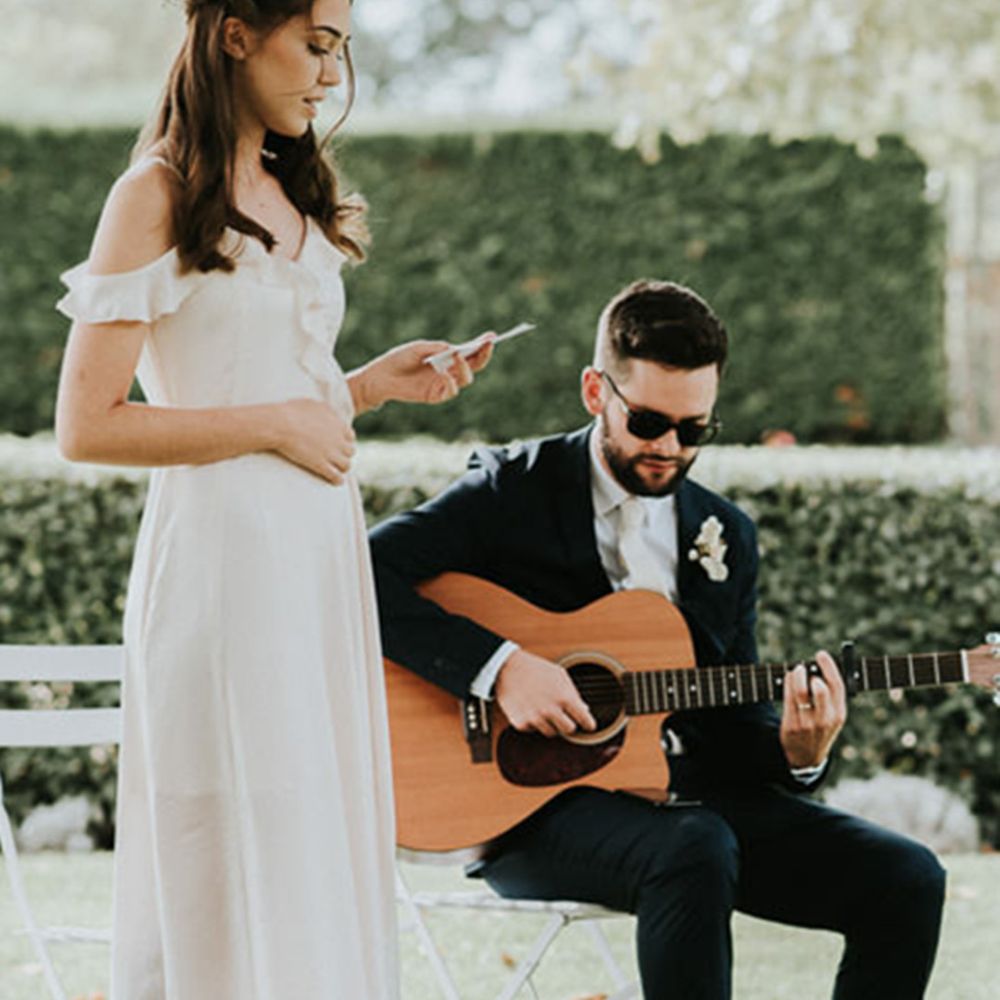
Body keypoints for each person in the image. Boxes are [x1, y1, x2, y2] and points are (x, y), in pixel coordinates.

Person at [54, 2, 493, 996]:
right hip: (221, 568)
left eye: (339, 49)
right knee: (232, 840)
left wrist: (367, 386)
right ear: (235, 33)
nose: (331, 76)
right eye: (317, 44)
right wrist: (275, 424)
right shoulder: (155, 191)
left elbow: (271, 389)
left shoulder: (290, 185)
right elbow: (89, 424)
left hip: (313, 561)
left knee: (312, 830)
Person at [370, 279, 947, 1000]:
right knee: (696, 845)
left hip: (688, 805)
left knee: (907, 877)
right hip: (529, 811)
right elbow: (361, 574)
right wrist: (502, 668)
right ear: (594, 392)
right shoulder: (512, 492)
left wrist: (799, 753)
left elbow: (730, 725)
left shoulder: (723, 533)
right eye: (646, 422)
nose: (668, 448)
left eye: (694, 430)